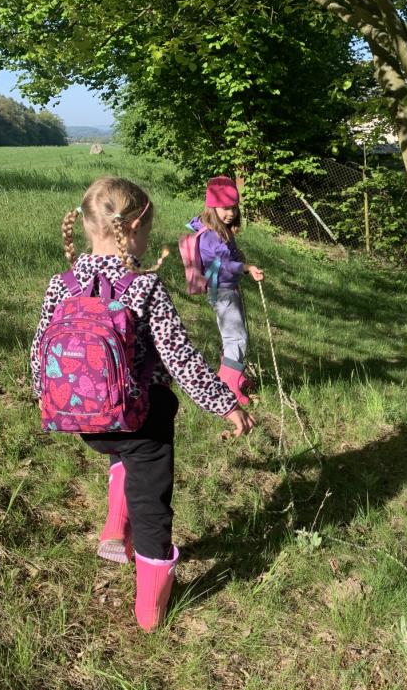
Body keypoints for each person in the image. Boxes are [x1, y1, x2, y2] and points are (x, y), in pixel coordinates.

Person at [30, 176, 254, 631]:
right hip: (140, 422)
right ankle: (150, 614)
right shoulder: (144, 286)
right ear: (132, 229)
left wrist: (45, 396)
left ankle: (115, 527)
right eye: (147, 231)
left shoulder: (61, 284)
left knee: (120, 451)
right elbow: (181, 358)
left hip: (83, 419)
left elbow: (39, 352)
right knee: (152, 510)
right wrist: (225, 403)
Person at [186, 175, 264, 406]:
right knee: (236, 337)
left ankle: (234, 375)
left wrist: (238, 255)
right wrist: (247, 267)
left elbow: (227, 258)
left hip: (224, 288)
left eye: (234, 208)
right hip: (222, 291)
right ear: (212, 207)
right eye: (225, 208)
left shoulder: (219, 230)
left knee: (233, 334)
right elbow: (225, 264)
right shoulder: (211, 235)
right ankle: (229, 386)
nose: (231, 213)